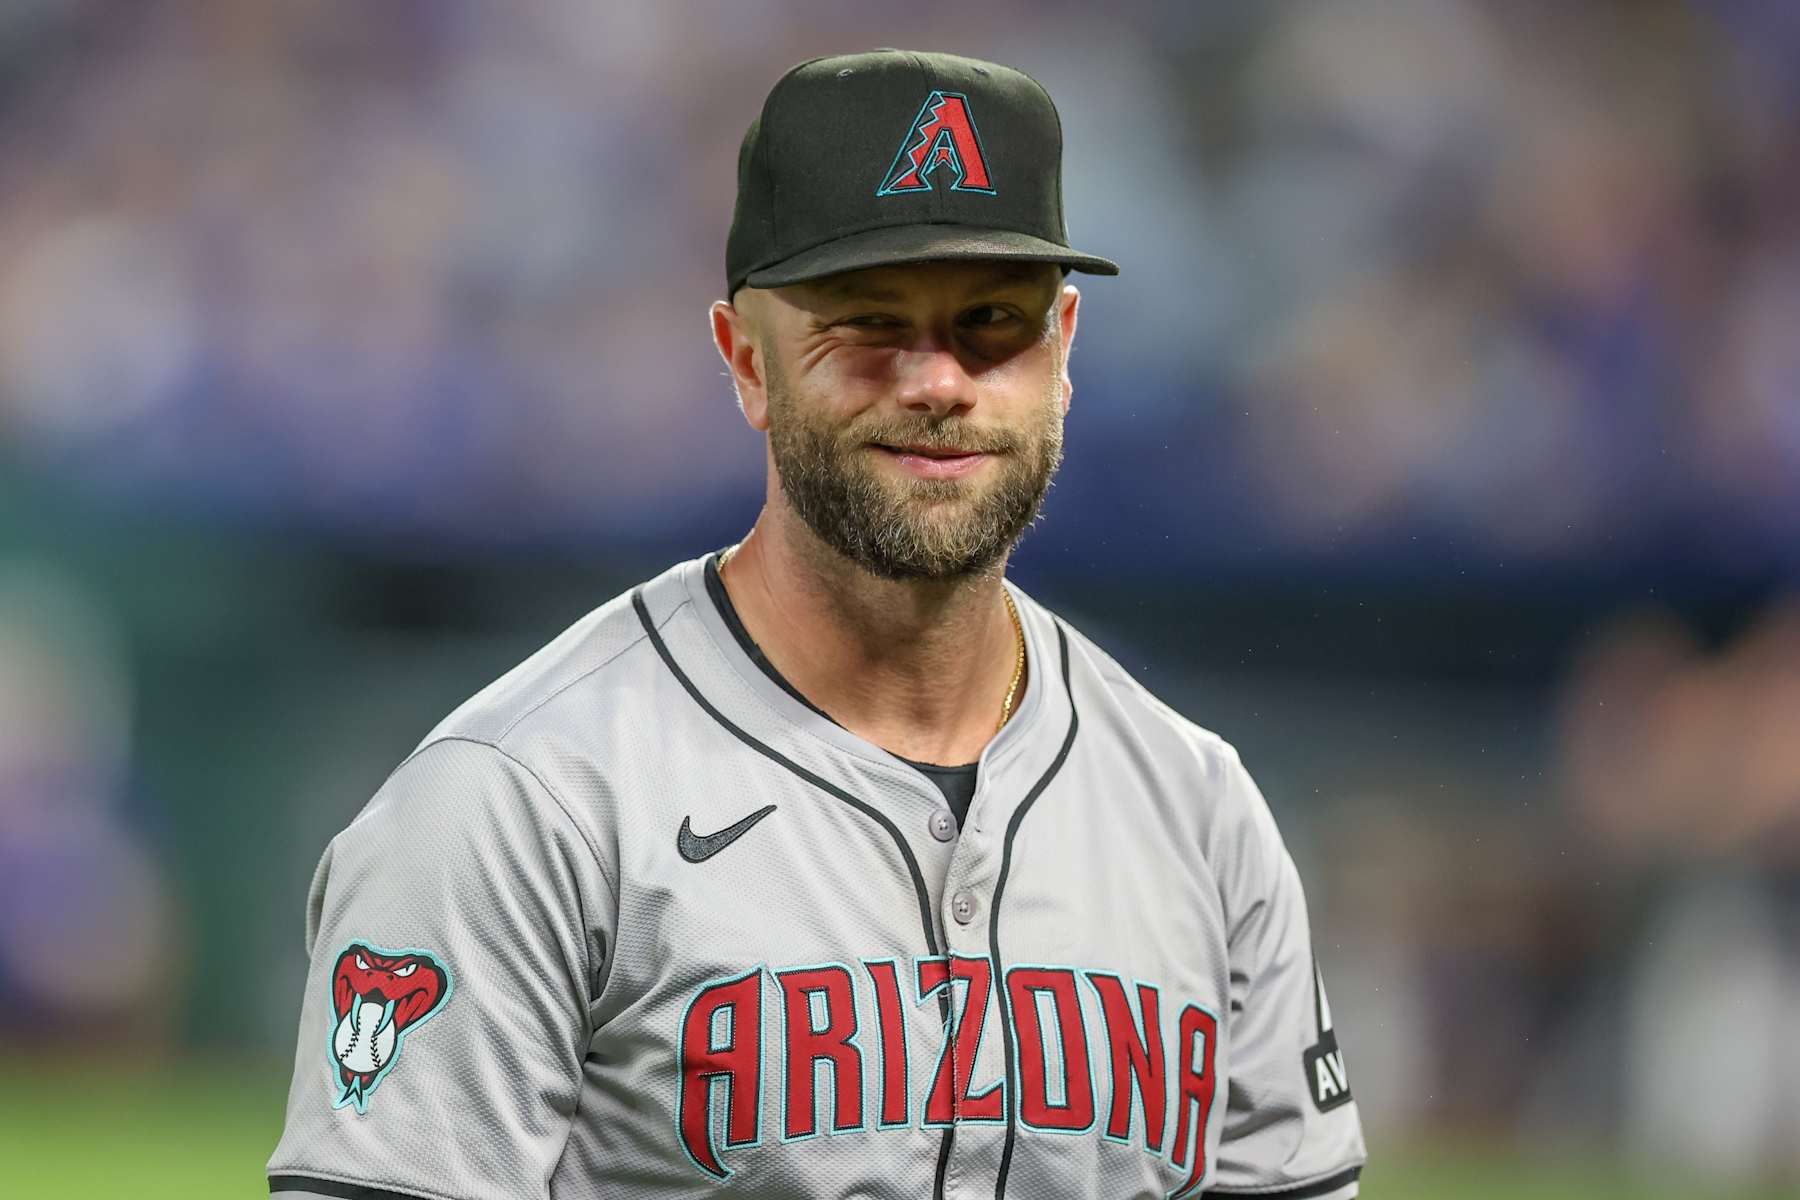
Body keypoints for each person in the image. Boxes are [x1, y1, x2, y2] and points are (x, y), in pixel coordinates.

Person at [267, 48, 1366, 1200]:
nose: (940, 381)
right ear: (747, 360)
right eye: (870, 325)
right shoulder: (522, 802)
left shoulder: (1199, 812)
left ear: (1065, 352)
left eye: (995, 324)